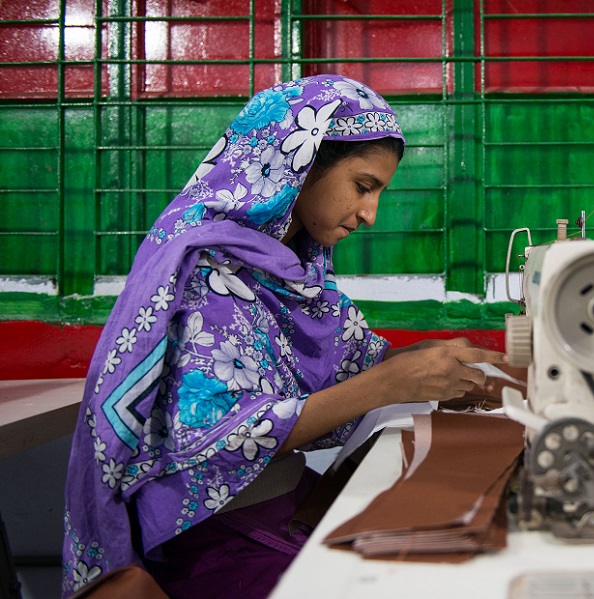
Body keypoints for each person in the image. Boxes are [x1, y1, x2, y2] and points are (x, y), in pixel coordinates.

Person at [62, 75, 507, 598]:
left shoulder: (294, 271)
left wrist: (431, 360)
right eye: (363, 187)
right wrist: (389, 383)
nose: (370, 214)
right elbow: (217, 437)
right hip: (215, 538)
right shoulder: (206, 273)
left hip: (278, 504)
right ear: (299, 165)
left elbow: (359, 368)